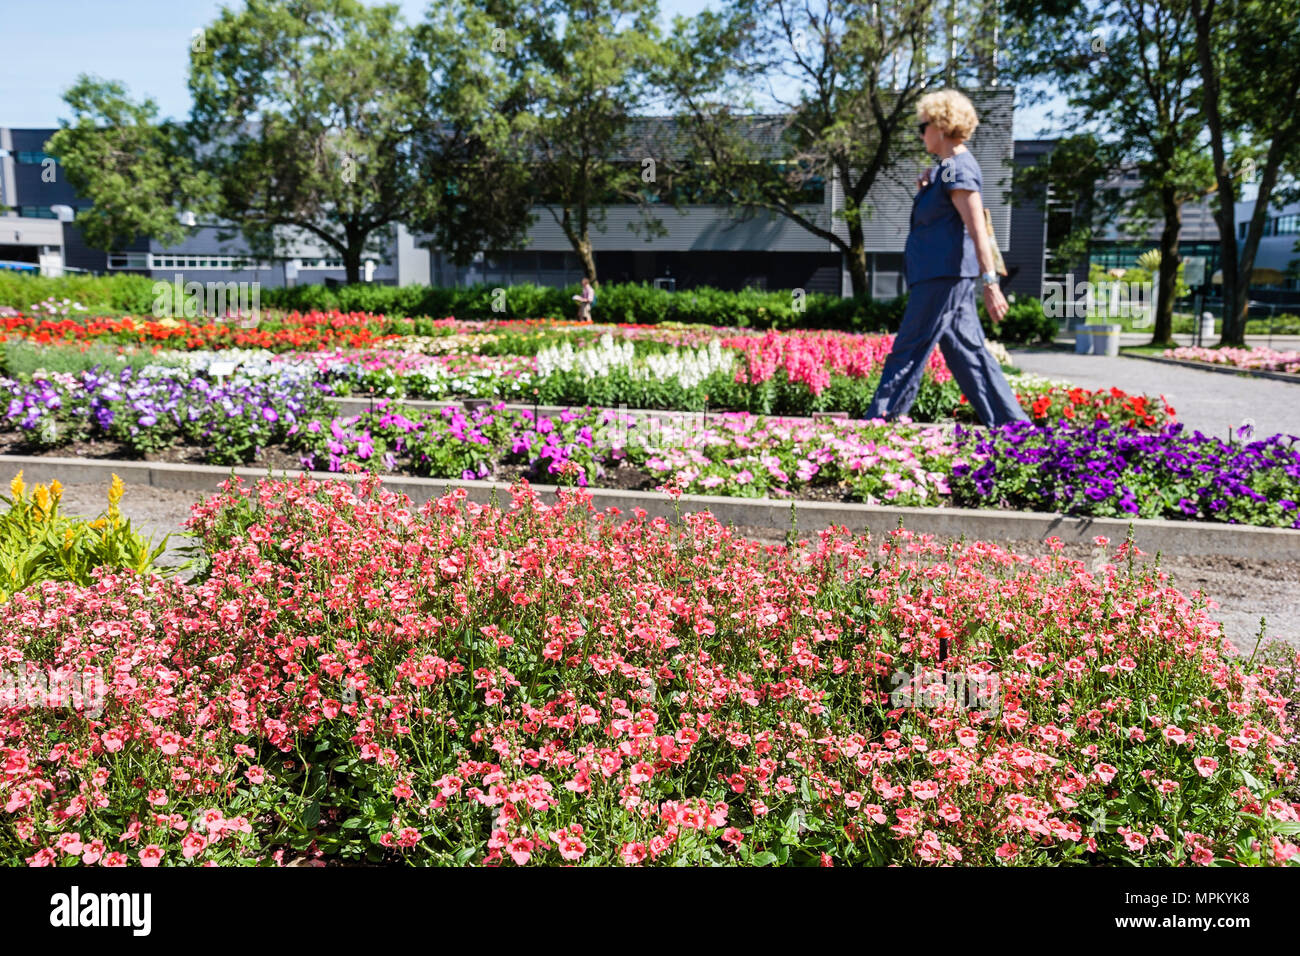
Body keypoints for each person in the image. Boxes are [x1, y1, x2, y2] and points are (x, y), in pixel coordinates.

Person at [865, 89, 1029, 426]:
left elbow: (976, 228)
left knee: (909, 347)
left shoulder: (956, 169)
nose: (920, 134)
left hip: (943, 278)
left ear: (941, 126)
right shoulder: (946, 171)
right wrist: (929, 184)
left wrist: (990, 282)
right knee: (968, 354)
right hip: (941, 276)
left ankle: (881, 422)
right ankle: (1014, 428)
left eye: (922, 126)